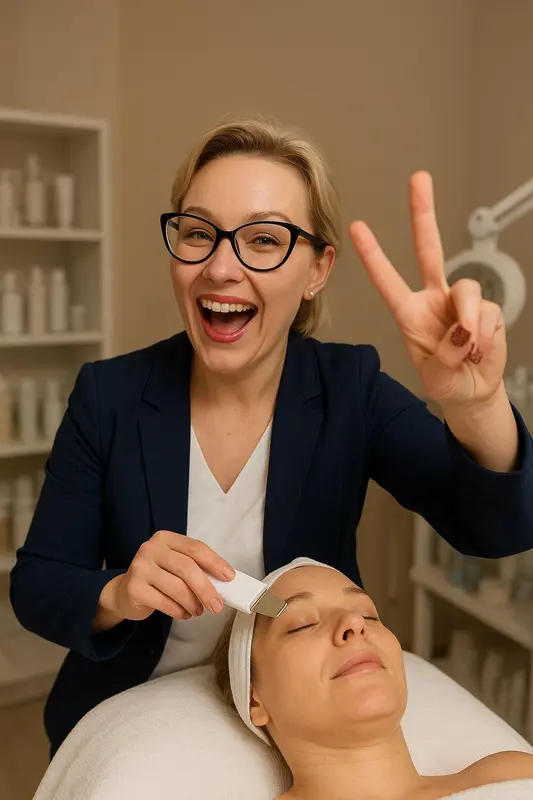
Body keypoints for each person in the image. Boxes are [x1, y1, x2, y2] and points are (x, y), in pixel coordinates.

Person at [9, 115, 533, 758]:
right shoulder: (109, 395)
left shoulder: (352, 388)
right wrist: (117, 593)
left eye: (263, 240)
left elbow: (499, 531)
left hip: (295, 727)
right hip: (133, 715)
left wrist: (477, 406)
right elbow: (37, 584)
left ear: (317, 269)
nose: (220, 267)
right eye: (199, 233)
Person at [214, 559, 533, 800]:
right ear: (256, 698)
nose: (354, 622)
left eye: (369, 615)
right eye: (302, 625)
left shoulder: (509, 776)